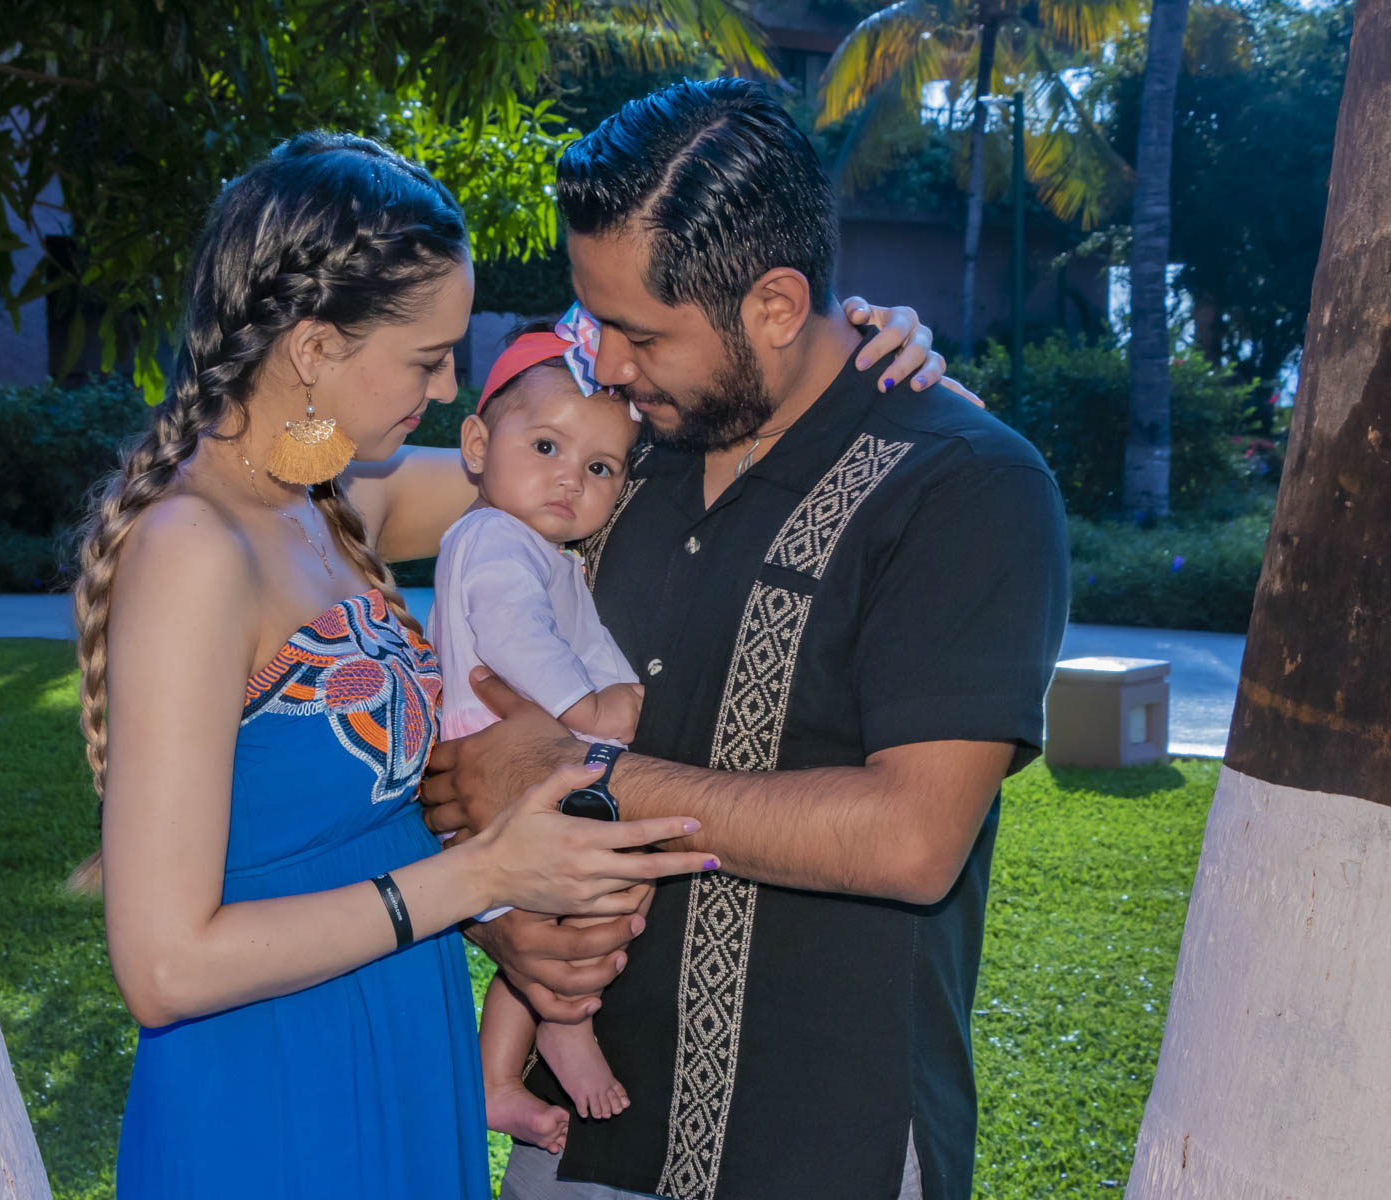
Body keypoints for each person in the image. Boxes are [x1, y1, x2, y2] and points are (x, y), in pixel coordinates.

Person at [421, 79, 1071, 1200]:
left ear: (775, 305)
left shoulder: (962, 486)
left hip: (818, 1146)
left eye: (639, 332)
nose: (605, 365)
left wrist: (586, 775)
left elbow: (913, 838)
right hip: (581, 1140)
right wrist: (503, 924)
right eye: (594, 320)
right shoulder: (612, 466)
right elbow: (471, 759)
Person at [72, 132, 721, 1200]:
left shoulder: (337, 498)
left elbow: (575, 466)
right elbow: (164, 967)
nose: (451, 385)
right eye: (426, 359)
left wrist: (862, 374)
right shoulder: (196, 551)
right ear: (314, 348)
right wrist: (484, 876)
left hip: (399, 1042)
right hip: (276, 1095)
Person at [428, 319, 650, 1155]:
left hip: (512, 768)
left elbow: (584, 640)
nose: (570, 480)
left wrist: (620, 692)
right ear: (478, 445)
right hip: (495, 769)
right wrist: (588, 710)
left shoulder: (544, 551)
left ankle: (499, 1075)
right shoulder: (493, 540)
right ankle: (563, 1027)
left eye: (600, 468)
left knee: (555, 918)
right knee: (570, 913)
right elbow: (516, 635)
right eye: (547, 447)